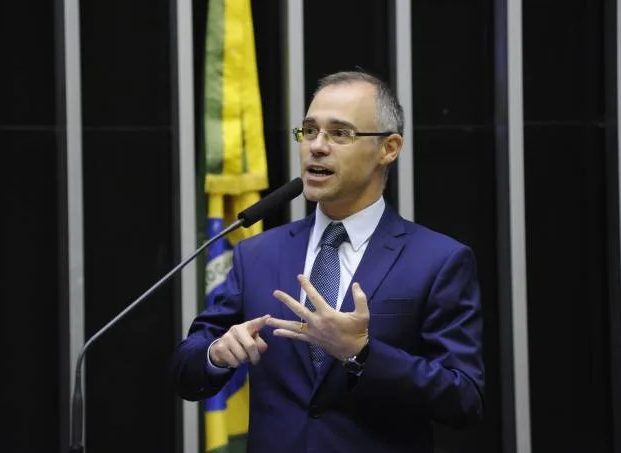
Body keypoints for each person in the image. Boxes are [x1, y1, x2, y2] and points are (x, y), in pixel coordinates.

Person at [170, 71, 484, 453]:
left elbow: (464, 400)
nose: (316, 147)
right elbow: (187, 370)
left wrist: (363, 352)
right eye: (309, 130)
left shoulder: (438, 261)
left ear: (389, 148)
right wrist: (216, 354)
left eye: (340, 134)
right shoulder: (257, 254)